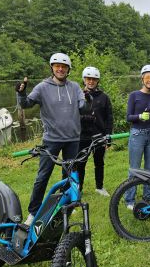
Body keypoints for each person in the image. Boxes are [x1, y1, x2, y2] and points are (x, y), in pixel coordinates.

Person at [16, 52, 92, 225]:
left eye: (64, 67)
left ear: (68, 70)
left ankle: (66, 208)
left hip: (73, 139)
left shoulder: (74, 87)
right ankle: (33, 212)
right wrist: (21, 93)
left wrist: (87, 101)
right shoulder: (42, 87)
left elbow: (83, 107)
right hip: (51, 139)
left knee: (69, 176)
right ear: (52, 68)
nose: (60, 69)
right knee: (43, 176)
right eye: (57, 66)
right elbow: (26, 104)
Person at [124, 64, 150, 209]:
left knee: (149, 169)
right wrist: (139, 116)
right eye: (147, 77)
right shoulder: (134, 95)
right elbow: (128, 117)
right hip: (137, 134)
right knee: (134, 168)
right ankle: (129, 200)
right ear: (142, 79)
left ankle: (148, 196)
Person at [76, 66, 113, 197]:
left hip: (99, 135)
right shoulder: (79, 95)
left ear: (98, 81)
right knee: (80, 164)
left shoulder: (104, 97)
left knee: (99, 163)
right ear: (84, 80)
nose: (91, 81)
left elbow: (109, 117)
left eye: (94, 79)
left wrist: (108, 136)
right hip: (83, 136)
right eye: (88, 79)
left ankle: (99, 187)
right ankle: (78, 190)